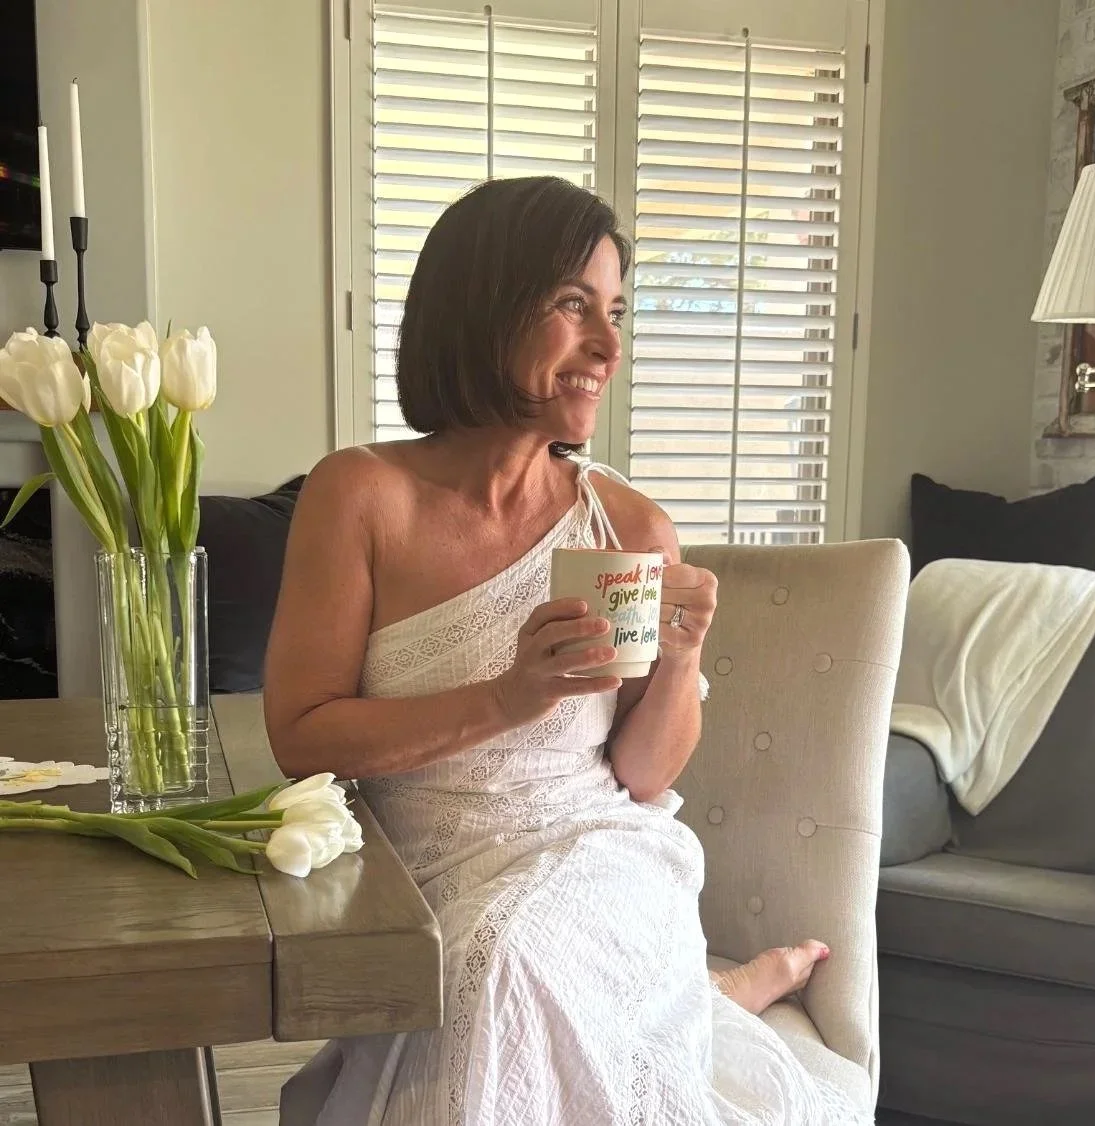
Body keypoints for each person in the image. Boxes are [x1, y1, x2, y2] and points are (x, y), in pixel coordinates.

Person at [265, 176, 868, 1125]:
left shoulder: (629, 528)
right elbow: (301, 737)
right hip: (415, 872)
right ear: (485, 307)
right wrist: (508, 698)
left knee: (502, 963)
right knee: (494, 962)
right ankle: (709, 997)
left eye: (616, 313)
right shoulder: (361, 494)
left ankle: (698, 994)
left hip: (599, 852)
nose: (609, 347)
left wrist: (681, 657)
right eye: (572, 305)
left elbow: (642, 775)